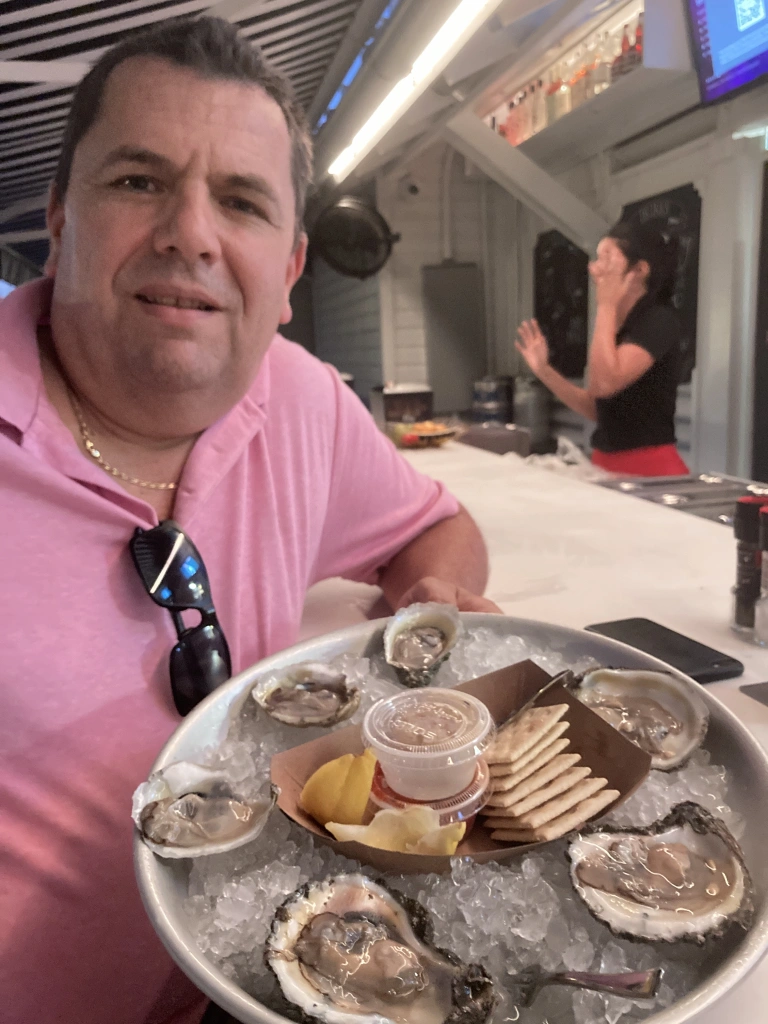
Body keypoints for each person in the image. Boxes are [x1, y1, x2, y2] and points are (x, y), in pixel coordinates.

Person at [0, 17, 499, 1024]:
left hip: (253, 986)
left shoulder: (304, 399)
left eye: (240, 199)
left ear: (289, 270)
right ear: (60, 215)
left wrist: (427, 598)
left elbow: (437, 529)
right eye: (139, 181)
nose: (190, 231)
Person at [516, 221, 689, 476]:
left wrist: (606, 306)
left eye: (606, 258)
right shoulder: (619, 327)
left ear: (639, 269)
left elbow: (604, 383)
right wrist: (544, 370)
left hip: (649, 468)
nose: (594, 268)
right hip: (608, 464)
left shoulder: (659, 320)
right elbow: (599, 409)